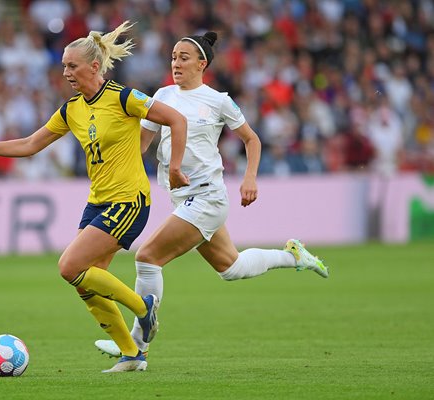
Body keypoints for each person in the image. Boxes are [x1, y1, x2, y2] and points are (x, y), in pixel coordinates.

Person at [0, 21, 190, 373]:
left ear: (94, 67)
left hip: (129, 201)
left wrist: (174, 167)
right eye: (64, 65)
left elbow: (175, 119)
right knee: (86, 284)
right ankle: (132, 355)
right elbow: (30, 144)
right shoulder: (72, 109)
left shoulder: (123, 98)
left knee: (69, 266)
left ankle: (143, 308)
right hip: (97, 202)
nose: (65, 71)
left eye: (72, 65)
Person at [95, 32, 329, 358]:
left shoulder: (218, 100)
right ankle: (293, 256)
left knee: (147, 258)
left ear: (202, 63)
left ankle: (136, 347)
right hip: (183, 198)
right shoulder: (162, 95)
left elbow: (252, 140)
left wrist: (250, 178)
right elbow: (142, 144)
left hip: (207, 198)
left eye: (184, 57)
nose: (176, 62)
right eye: (174, 56)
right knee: (231, 267)